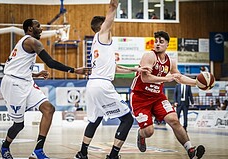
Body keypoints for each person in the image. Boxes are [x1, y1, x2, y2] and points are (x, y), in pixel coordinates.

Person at [0, 18, 89, 159]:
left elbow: (17, 66)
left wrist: (36, 74)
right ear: (30, 29)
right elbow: (51, 63)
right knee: (19, 125)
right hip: (13, 84)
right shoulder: (32, 41)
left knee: (49, 109)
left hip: (26, 81)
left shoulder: (25, 43)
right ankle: (4, 146)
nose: (41, 29)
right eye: (38, 26)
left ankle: (38, 151)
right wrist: (74, 70)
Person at [74, 1, 149, 159]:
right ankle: (113, 155)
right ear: (102, 27)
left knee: (95, 120)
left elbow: (114, 67)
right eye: (108, 26)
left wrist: (134, 69)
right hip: (102, 84)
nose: (111, 28)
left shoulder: (97, 43)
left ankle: (82, 153)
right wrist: (114, 6)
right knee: (127, 119)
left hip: (93, 84)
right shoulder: (102, 36)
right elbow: (109, 18)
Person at [130, 31, 205, 159]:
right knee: (149, 131)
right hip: (140, 97)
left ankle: (190, 150)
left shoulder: (171, 61)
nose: (157, 44)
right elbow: (145, 78)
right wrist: (166, 78)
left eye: (161, 42)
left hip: (157, 97)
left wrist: (197, 83)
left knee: (174, 120)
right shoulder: (149, 56)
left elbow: (179, 77)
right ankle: (141, 134)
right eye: (156, 41)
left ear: (167, 45)